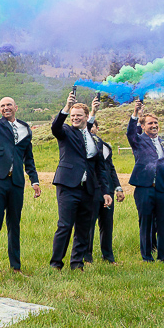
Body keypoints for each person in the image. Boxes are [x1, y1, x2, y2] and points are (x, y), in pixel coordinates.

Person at [0, 65, 40, 273]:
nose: (5, 108)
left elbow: (28, 157)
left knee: (15, 224)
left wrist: (35, 180)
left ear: (16, 107)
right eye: (2, 106)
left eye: (9, 105)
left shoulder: (25, 129)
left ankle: (15, 266)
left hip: (17, 182)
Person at [48, 90, 112, 271]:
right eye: (72, 116)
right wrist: (67, 107)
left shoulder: (94, 140)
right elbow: (56, 127)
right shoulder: (67, 131)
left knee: (84, 227)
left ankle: (77, 263)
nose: (74, 118)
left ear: (86, 117)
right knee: (65, 225)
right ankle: (56, 264)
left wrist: (106, 191)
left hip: (88, 189)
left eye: (78, 116)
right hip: (68, 185)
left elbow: (100, 168)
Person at [126, 100, 164, 262]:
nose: (154, 125)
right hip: (144, 188)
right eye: (150, 123)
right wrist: (135, 113)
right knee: (145, 223)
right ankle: (147, 256)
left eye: (156, 123)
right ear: (143, 126)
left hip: (163, 190)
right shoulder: (138, 141)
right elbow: (130, 133)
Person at [87, 108, 125, 264]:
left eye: (94, 126)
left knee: (107, 224)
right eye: (89, 126)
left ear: (98, 128)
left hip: (107, 190)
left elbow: (111, 168)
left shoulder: (106, 146)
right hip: (91, 191)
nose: (92, 129)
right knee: (89, 225)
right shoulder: (83, 144)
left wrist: (118, 188)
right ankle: (86, 257)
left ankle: (108, 256)